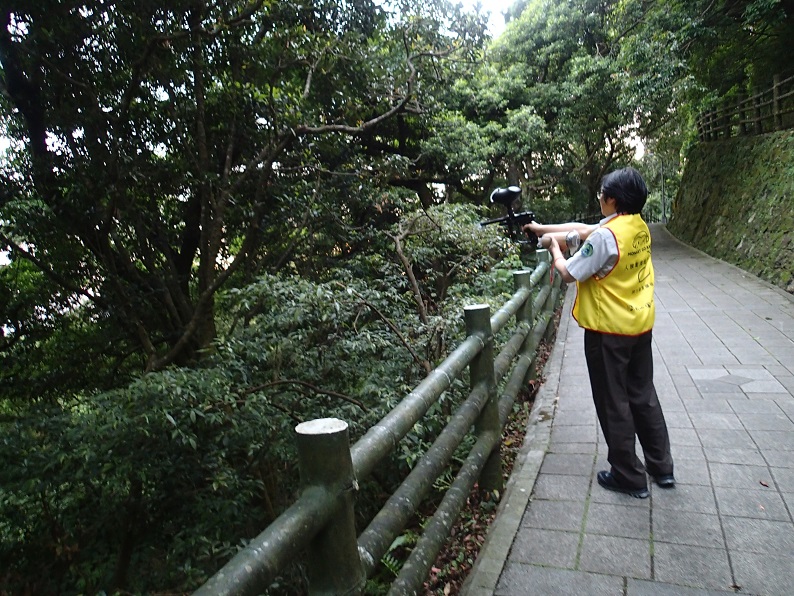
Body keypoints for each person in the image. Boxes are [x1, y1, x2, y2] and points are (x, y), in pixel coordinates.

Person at [532, 167, 674, 499]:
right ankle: (661, 467)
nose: (599, 198)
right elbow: (585, 230)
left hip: (607, 331)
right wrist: (541, 228)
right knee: (643, 395)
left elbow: (569, 273)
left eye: (601, 194)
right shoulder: (637, 226)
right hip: (639, 325)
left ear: (611, 200)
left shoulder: (605, 237)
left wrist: (553, 249)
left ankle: (628, 474)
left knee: (614, 401)